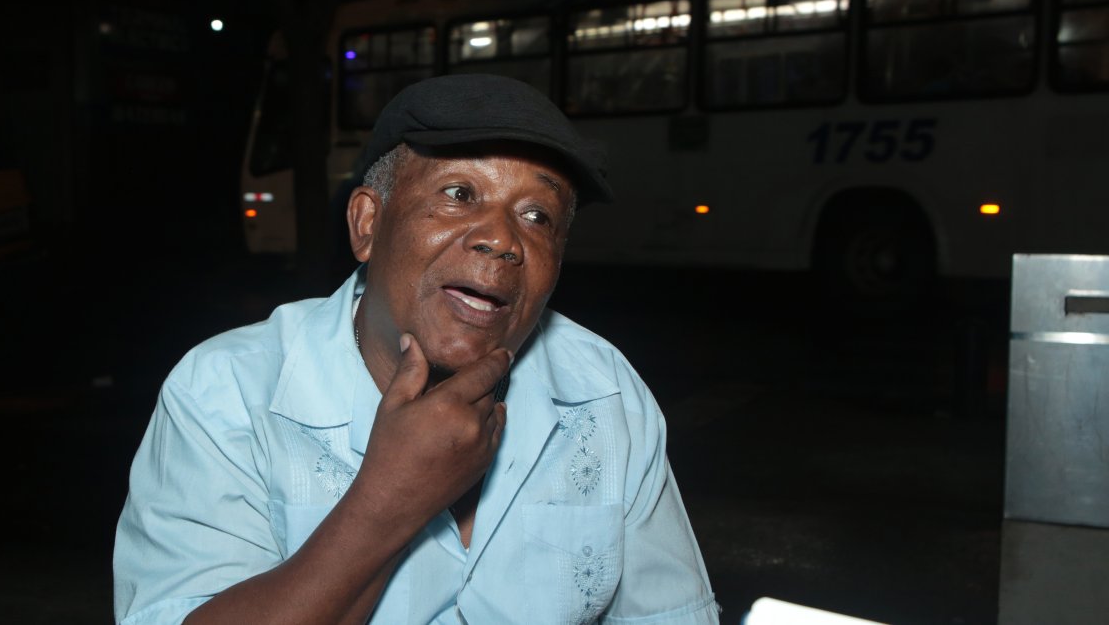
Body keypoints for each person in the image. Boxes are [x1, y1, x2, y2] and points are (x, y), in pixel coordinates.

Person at [113, 74, 720, 625]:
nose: (503, 239)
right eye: (459, 193)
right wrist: (390, 499)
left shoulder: (602, 390)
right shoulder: (229, 391)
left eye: (538, 215)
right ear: (367, 224)